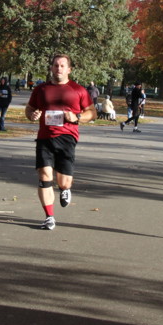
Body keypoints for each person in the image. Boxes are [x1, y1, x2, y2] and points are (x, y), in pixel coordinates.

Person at [25, 54, 95, 230]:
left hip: (67, 137)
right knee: (44, 175)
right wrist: (32, 115)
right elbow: (29, 108)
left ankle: (65, 189)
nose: (59, 68)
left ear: (69, 69)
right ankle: (49, 217)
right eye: (56, 65)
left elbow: (92, 112)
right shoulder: (41, 89)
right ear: (51, 68)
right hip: (45, 137)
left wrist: (77, 116)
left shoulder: (78, 90)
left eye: (62, 66)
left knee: (64, 182)